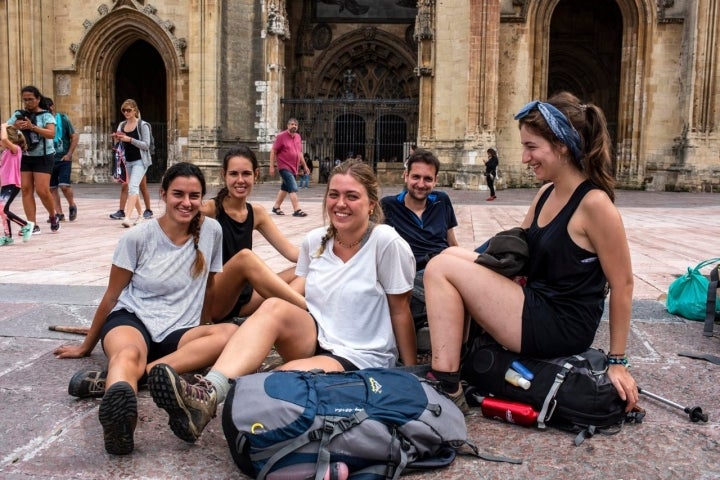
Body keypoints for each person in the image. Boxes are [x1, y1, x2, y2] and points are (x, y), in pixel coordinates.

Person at [147, 159, 417, 443]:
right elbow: (298, 288)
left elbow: (400, 310)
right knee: (274, 306)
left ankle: (207, 404)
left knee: (258, 390)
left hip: (357, 355)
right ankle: (209, 391)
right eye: (334, 195)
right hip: (315, 336)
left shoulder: (385, 242)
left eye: (352, 196)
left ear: (371, 204)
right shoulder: (315, 241)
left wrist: (412, 374)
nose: (340, 204)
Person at [423, 92, 638, 414]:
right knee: (445, 259)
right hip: (536, 303)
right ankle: (457, 360)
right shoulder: (546, 192)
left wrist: (617, 362)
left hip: (561, 324)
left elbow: (623, 285)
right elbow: (519, 251)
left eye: (531, 147)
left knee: (441, 269)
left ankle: (447, 386)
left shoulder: (594, 205)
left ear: (562, 146)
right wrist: (483, 261)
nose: (525, 158)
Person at [53, 162, 237, 455]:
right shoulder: (137, 237)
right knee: (128, 354)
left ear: (202, 198)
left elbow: (209, 285)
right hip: (132, 320)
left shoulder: (212, 231)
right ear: (163, 194)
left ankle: (121, 379)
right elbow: (112, 296)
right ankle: (121, 424)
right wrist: (87, 346)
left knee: (231, 334)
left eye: (194, 196)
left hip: (180, 329)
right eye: (178, 194)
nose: (186, 203)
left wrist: (206, 327)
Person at [201, 145, 307, 323]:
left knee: (307, 270)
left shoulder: (256, 213)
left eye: (246, 174)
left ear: (255, 175)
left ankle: (276, 311)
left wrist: (328, 253)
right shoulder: (210, 210)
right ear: (224, 175)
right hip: (216, 301)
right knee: (245, 258)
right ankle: (306, 308)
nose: (240, 180)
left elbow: (291, 252)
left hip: (245, 300)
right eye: (234, 174)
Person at [381, 149, 459, 350]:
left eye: (427, 179)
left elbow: (452, 241)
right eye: (416, 177)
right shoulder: (388, 206)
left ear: (436, 180)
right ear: (405, 175)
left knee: (497, 248)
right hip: (414, 273)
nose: (421, 184)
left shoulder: (442, 201)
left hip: (446, 265)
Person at [6, 85, 58, 234]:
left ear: (38, 99)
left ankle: (53, 215)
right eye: (25, 100)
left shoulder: (46, 115)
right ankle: (32, 224)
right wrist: (15, 126)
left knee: (42, 190)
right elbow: (6, 128)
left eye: (30, 99)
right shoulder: (19, 114)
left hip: (44, 157)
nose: (27, 102)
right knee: (26, 189)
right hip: (25, 156)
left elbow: (51, 134)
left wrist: (32, 127)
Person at [112, 99, 152, 227]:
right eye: (124, 110)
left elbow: (146, 145)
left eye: (129, 110)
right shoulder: (122, 125)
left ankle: (127, 217)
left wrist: (130, 139)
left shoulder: (143, 125)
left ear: (135, 110)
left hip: (140, 161)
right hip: (127, 160)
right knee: (132, 188)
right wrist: (117, 138)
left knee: (133, 187)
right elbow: (119, 143)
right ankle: (140, 215)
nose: (126, 113)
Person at [43, 98, 79, 222]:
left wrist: (69, 154)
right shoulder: (41, 122)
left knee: (64, 186)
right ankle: (59, 213)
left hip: (63, 158)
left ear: (52, 107)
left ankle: (72, 205)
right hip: (48, 159)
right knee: (52, 188)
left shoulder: (63, 119)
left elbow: (74, 136)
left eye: (47, 108)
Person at [0, 123, 34, 245]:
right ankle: (8, 237)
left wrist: (3, 127)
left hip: (13, 185)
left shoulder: (15, 150)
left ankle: (26, 225)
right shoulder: (5, 153)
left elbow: (4, 139)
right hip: (5, 185)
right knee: (3, 211)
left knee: (2, 209)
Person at [268, 117, 310, 217]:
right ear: (288, 126)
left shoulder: (298, 137)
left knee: (285, 188)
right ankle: (297, 210)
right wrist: (271, 166)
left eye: (295, 125)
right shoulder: (281, 136)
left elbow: (299, 153)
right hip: (284, 166)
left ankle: (276, 207)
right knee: (293, 187)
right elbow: (273, 151)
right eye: (292, 124)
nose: (294, 126)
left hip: (293, 168)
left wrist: (305, 166)